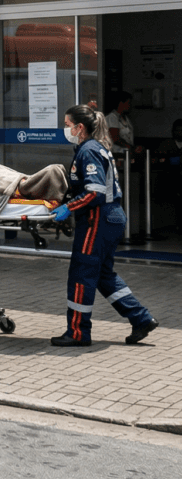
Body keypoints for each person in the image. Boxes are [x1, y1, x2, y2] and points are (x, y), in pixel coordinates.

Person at [50, 104, 157, 347]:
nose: (64, 129)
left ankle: (77, 333)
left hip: (97, 219)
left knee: (81, 274)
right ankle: (141, 318)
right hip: (110, 218)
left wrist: (69, 208)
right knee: (103, 275)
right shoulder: (94, 148)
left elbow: (94, 192)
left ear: (79, 128)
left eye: (67, 125)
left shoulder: (88, 151)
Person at [105, 91, 141, 156]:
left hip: (126, 154)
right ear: (121, 103)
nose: (130, 106)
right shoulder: (112, 118)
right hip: (117, 155)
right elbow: (115, 138)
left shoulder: (125, 118)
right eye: (128, 103)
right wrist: (133, 148)